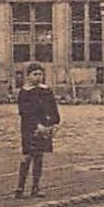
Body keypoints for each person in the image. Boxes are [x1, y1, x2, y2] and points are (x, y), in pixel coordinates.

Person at [15, 63, 61, 198]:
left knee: (39, 157)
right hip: (29, 128)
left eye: (40, 74)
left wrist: (54, 123)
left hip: (45, 128)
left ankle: (36, 187)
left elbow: (53, 109)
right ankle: (20, 188)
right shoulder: (25, 92)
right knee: (27, 156)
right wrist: (36, 125)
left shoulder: (46, 91)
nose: (38, 77)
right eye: (35, 74)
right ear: (28, 76)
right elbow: (24, 112)